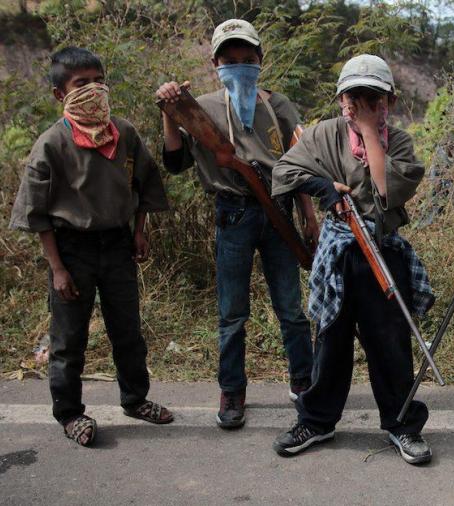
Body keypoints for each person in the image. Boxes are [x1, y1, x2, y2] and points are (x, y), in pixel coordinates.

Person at [269, 54, 434, 465]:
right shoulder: (324, 134)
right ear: (341, 98)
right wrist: (322, 186)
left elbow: (385, 189)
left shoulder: (399, 143)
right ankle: (317, 420)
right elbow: (283, 173)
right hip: (340, 252)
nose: (359, 104)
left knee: (389, 341)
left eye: (370, 97)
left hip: (382, 251)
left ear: (388, 102)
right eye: (353, 97)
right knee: (330, 338)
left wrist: (368, 131)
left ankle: (402, 425)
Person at [155, 19, 318, 429]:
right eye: (230, 60)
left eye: (247, 59)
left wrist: (309, 218)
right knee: (232, 313)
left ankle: (304, 382)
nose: (240, 66)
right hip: (232, 213)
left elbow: (297, 165)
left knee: (292, 309)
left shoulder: (278, 105)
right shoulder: (201, 107)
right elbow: (175, 163)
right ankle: (232, 390)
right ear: (215, 63)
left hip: (279, 211)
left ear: (260, 60)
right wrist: (170, 112)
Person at [9, 47, 173, 446]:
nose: (94, 89)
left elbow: (144, 184)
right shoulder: (51, 144)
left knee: (128, 330)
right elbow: (38, 214)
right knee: (68, 339)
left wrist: (140, 229)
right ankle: (69, 413)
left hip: (117, 246)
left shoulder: (124, 133)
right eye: (81, 84)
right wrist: (58, 268)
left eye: (99, 81)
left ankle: (135, 398)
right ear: (58, 94)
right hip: (71, 251)